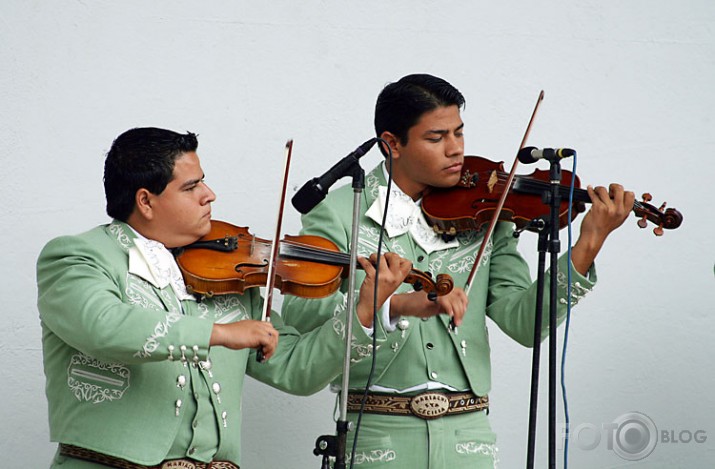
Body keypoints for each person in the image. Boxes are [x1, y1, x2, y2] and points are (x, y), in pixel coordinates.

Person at [281, 74, 636, 468]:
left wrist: (587, 245)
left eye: (459, 133)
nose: (456, 150)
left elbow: (525, 324)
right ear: (391, 143)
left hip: (469, 438)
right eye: (436, 138)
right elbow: (304, 325)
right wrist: (390, 306)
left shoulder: (489, 209)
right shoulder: (337, 212)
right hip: (378, 437)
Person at [36, 127, 414, 468]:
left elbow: (297, 369)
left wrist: (364, 309)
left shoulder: (231, 275)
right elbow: (102, 327)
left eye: (203, 181)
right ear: (145, 202)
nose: (209, 195)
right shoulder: (78, 257)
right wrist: (218, 333)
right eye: (190, 187)